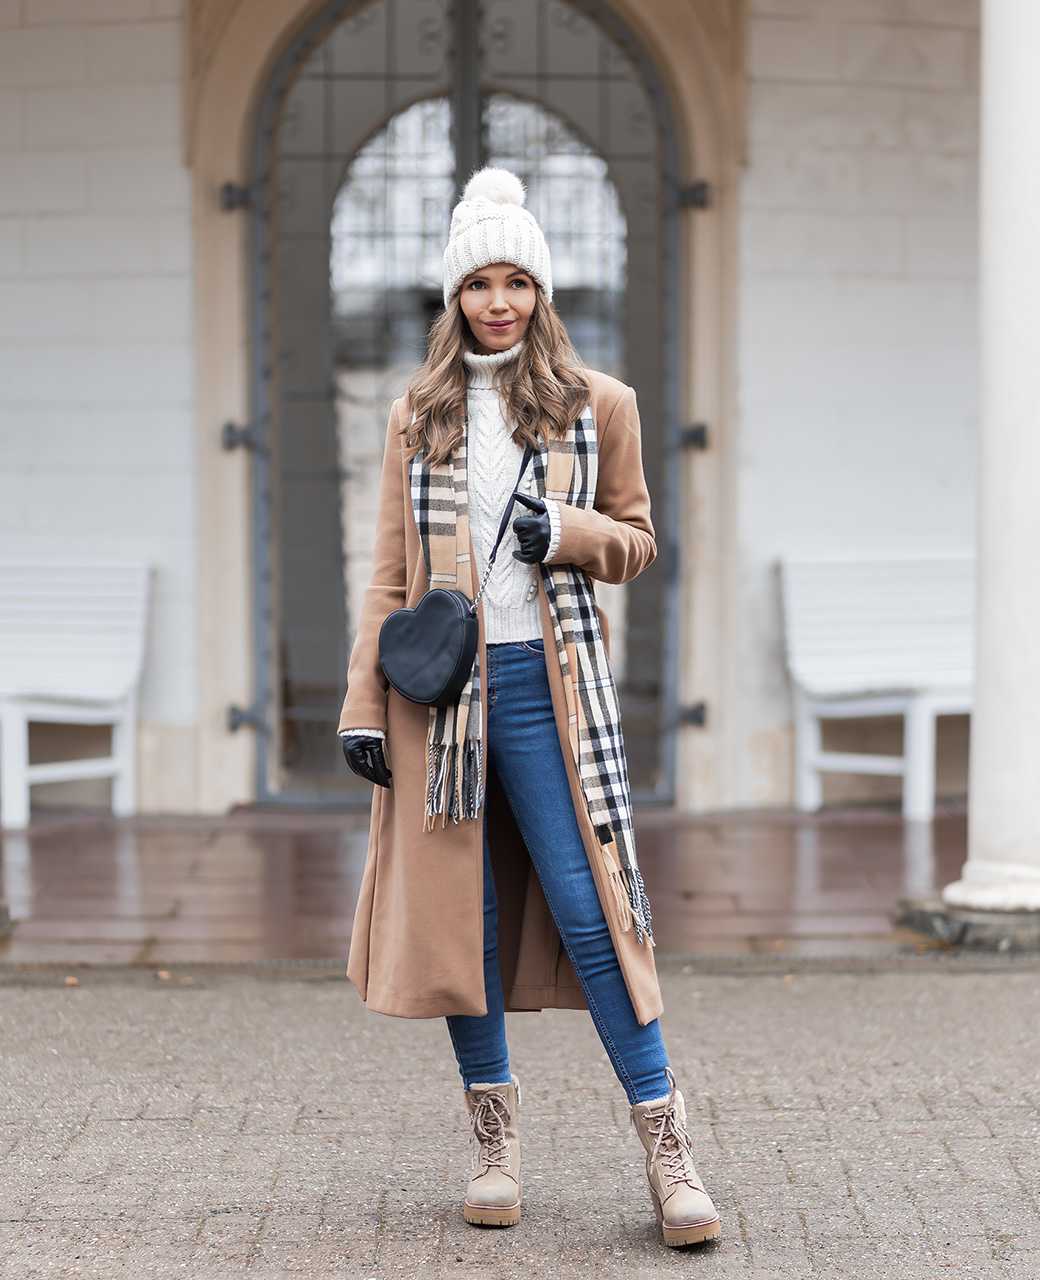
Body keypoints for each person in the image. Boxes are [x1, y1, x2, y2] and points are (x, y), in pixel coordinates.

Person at [337, 166, 720, 1248]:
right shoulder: (416, 414)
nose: (496, 302)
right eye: (478, 284)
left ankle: (668, 1149)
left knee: (594, 914)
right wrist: (363, 705)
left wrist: (569, 532)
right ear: (453, 296)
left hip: (552, 696)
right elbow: (387, 576)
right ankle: (493, 1144)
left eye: (515, 282)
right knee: (466, 920)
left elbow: (638, 540)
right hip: (439, 703)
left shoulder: (600, 404)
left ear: (540, 292)